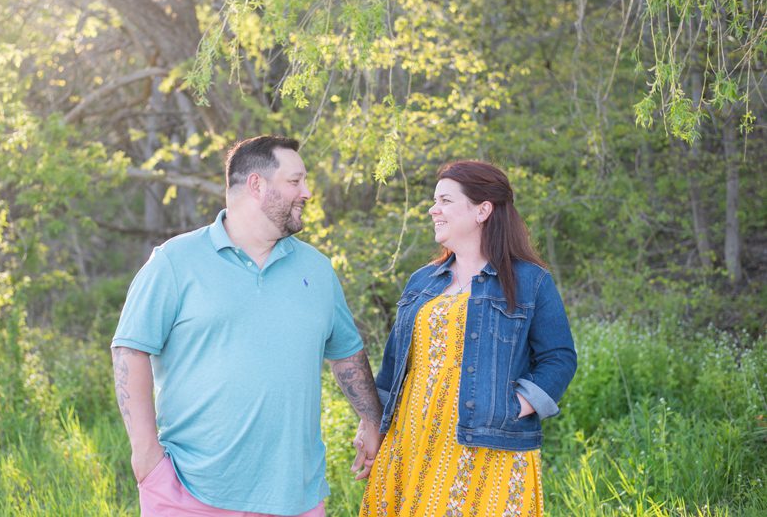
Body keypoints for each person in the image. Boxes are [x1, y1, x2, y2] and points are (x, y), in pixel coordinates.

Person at [111, 135, 383, 517]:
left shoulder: (317, 270)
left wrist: (371, 418)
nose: (306, 192)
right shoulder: (176, 261)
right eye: (295, 181)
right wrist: (145, 455)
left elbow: (346, 352)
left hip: (295, 496)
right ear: (257, 185)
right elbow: (130, 348)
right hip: (190, 491)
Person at [359, 160, 577, 516]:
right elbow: (394, 365)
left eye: (445, 200)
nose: (433, 209)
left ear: (482, 210)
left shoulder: (529, 281)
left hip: (485, 444)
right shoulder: (423, 281)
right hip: (410, 440)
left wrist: (514, 406)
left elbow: (559, 358)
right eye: (434, 200)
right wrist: (370, 423)